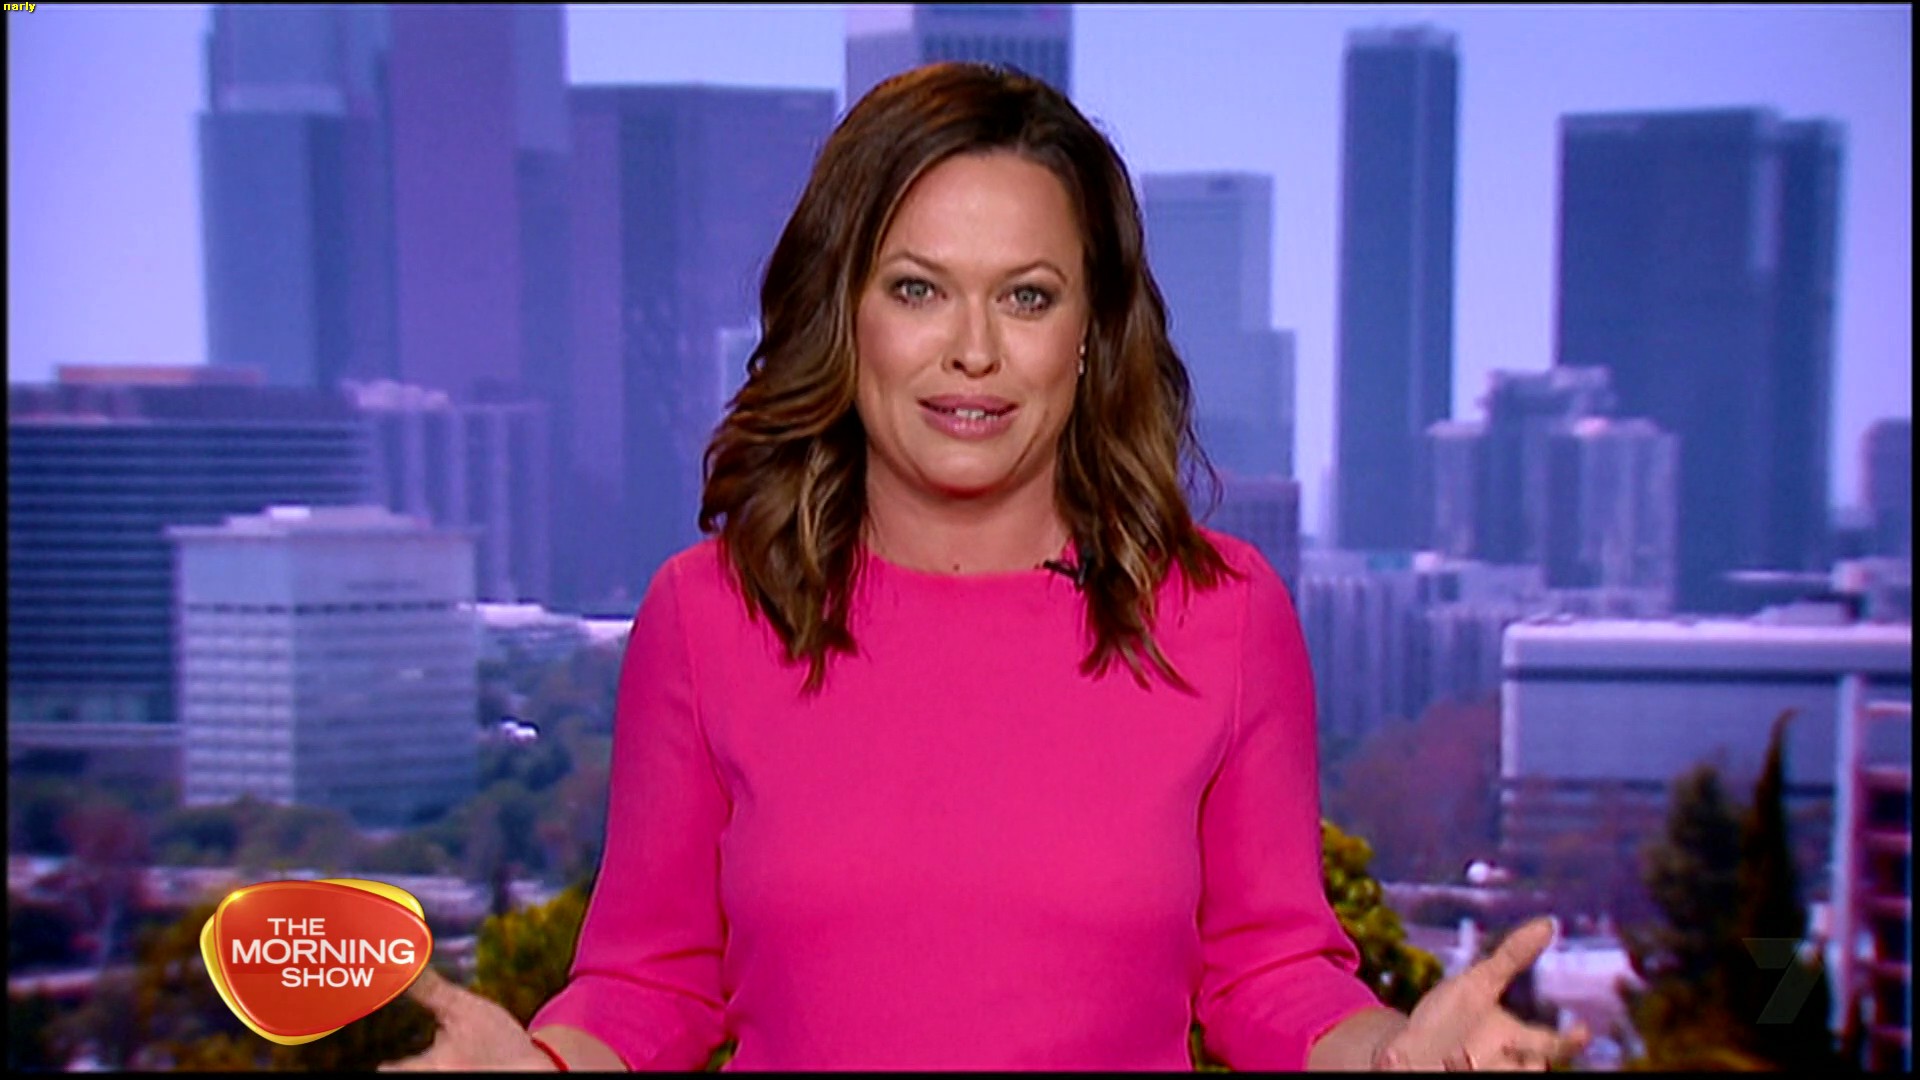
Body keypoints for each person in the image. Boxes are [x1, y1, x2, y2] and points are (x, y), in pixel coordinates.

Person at [382, 61, 1590, 1072]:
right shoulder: (708, 614)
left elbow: (1268, 969)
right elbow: (654, 980)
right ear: (845, 315)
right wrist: (544, 1066)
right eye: (918, 289)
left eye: (1026, 296)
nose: (973, 351)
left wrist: (1392, 1057)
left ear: (1090, 332)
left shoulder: (1220, 614)